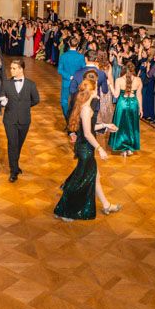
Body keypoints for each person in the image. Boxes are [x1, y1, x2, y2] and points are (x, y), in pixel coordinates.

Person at [54, 79, 119, 221]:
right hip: (86, 149)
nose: (98, 92)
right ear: (92, 92)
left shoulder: (84, 107)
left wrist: (105, 125)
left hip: (85, 147)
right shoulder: (86, 109)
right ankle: (64, 211)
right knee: (79, 180)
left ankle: (106, 205)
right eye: (96, 89)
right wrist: (100, 148)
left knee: (95, 177)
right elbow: (88, 134)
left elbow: (87, 129)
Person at [0, 58, 39, 183]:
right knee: (12, 144)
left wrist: (24, 107)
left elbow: (36, 100)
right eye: (10, 68)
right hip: (9, 119)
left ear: (21, 69)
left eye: (14, 68)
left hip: (24, 119)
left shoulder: (31, 84)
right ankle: (13, 171)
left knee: (19, 145)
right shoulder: (6, 83)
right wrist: (3, 103)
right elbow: (1, 99)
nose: (11, 70)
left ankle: (15, 165)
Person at [108, 62, 141, 156]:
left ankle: (122, 148)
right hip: (134, 104)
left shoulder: (119, 80)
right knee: (132, 126)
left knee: (121, 126)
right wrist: (141, 108)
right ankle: (130, 148)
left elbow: (116, 95)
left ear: (123, 69)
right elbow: (139, 95)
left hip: (122, 104)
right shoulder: (138, 80)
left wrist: (110, 85)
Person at [57, 37, 84, 117]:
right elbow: (83, 69)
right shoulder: (81, 57)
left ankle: (67, 117)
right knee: (76, 101)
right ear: (78, 45)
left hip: (66, 81)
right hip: (77, 82)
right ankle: (74, 118)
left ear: (68, 44)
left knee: (64, 101)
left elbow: (60, 70)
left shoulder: (63, 56)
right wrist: (76, 77)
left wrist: (69, 76)